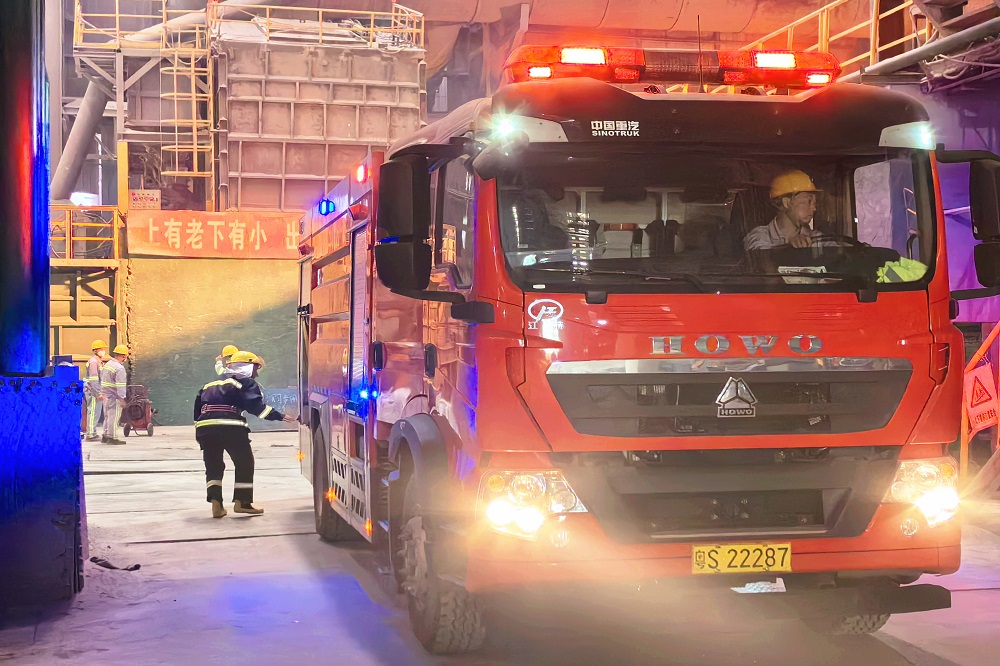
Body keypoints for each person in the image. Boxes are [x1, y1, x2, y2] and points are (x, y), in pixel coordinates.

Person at [194, 351, 295, 518]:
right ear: (247, 367)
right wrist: (280, 416)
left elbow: (197, 410)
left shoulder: (209, 385)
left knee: (213, 465)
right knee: (244, 462)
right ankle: (243, 502)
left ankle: (216, 504)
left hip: (205, 428)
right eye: (255, 369)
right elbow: (257, 408)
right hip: (231, 427)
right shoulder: (246, 383)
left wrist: (200, 431)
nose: (256, 374)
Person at [744, 170, 822, 250]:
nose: (814, 208)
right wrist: (789, 247)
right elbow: (761, 254)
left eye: (814, 203)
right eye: (808, 201)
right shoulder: (759, 236)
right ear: (786, 203)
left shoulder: (817, 237)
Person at [100, 345, 129, 445]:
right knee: (114, 417)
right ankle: (112, 438)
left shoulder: (108, 364)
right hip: (114, 396)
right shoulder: (119, 368)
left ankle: (105, 436)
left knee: (107, 416)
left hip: (105, 395)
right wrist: (122, 399)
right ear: (124, 356)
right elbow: (120, 385)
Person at [83, 339, 108, 442]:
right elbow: (94, 379)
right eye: (100, 349)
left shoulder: (98, 361)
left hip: (95, 390)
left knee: (95, 412)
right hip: (93, 391)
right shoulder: (94, 362)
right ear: (95, 351)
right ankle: (90, 435)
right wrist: (97, 393)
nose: (103, 351)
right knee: (93, 411)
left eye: (103, 349)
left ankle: (92, 433)